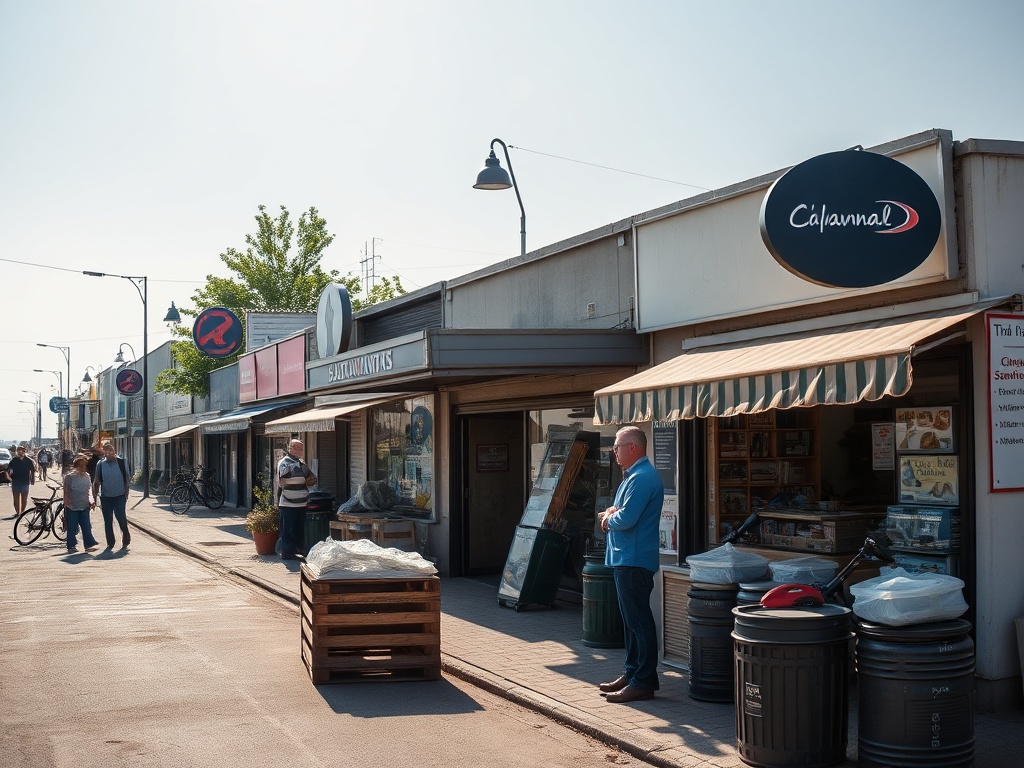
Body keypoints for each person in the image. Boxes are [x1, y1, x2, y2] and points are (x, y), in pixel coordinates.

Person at [596, 426, 664, 704]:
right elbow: (621, 511)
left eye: (617, 446)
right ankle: (633, 673)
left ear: (632, 448)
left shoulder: (642, 478)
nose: (614, 451)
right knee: (631, 622)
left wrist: (607, 519)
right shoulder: (635, 476)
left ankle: (642, 681)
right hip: (628, 559)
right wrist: (614, 512)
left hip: (634, 560)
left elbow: (625, 518)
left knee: (638, 622)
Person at [276, 439, 316, 561]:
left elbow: (312, 479)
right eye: (297, 448)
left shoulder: (301, 464)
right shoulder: (284, 462)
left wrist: (307, 476)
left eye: (301, 449)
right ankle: (287, 552)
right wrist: (295, 467)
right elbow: (282, 475)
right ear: (290, 448)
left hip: (302, 502)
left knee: (299, 528)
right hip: (288, 502)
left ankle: (298, 549)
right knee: (288, 528)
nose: (300, 451)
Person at [92, 441, 131, 550]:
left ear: (114, 451)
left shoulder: (122, 462)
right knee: (108, 520)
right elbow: (96, 481)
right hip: (106, 497)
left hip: (119, 495)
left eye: (110, 452)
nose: (108, 455)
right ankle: (110, 542)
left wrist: (126, 493)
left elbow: (127, 479)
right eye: (106, 453)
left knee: (121, 517)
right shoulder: (100, 464)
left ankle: (126, 536)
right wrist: (94, 497)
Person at [63, 455, 99, 554]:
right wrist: (67, 502)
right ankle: (71, 545)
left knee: (86, 526)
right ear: (77, 466)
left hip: (84, 504)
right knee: (72, 527)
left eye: (85, 465)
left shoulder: (87, 476)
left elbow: (89, 490)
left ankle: (88, 544)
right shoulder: (69, 477)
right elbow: (66, 490)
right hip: (72, 506)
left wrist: (91, 501)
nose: (84, 467)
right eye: (82, 465)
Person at [8, 446, 36, 518]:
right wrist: (10, 471)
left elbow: (32, 470)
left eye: (23, 451)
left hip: (25, 481)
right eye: (19, 451)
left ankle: (22, 512)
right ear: (17, 452)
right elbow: (9, 468)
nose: (21, 452)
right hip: (16, 481)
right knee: (16, 498)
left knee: (24, 498)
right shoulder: (14, 460)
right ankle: (18, 512)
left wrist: (33, 480)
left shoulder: (28, 460)